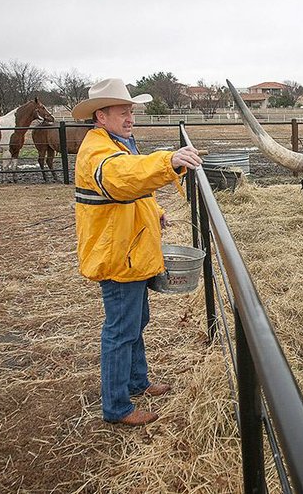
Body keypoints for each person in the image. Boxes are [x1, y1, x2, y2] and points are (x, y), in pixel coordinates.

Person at [72, 78, 202, 426]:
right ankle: (116, 407)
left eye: (132, 111)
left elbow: (129, 191)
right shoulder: (99, 152)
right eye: (123, 112)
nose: (131, 117)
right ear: (101, 116)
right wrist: (168, 161)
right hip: (118, 256)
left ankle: (137, 380)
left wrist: (154, 213)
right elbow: (121, 177)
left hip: (131, 248)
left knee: (135, 321)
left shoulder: (117, 142)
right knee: (120, 330)